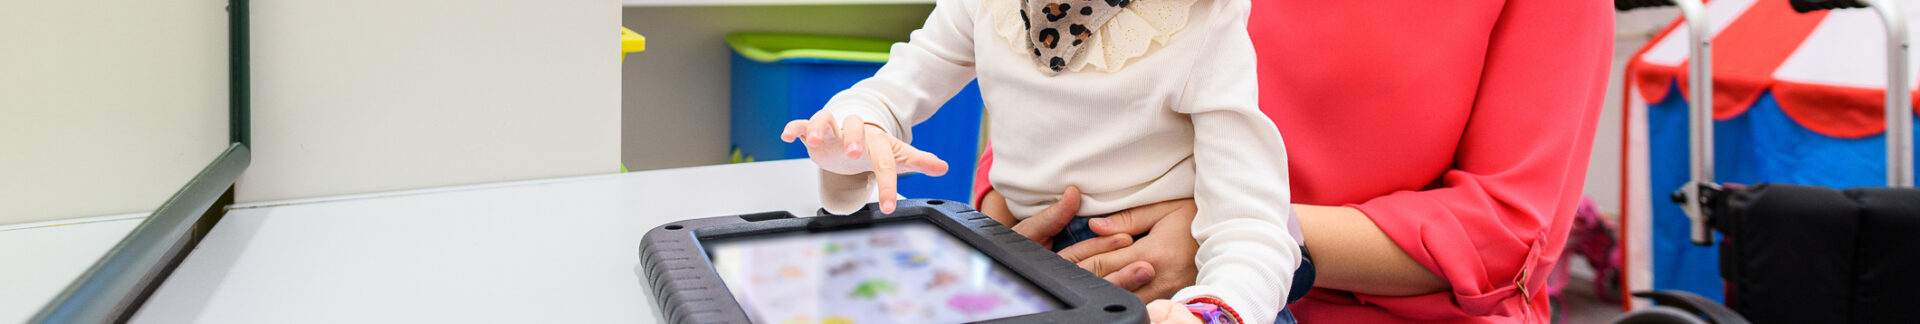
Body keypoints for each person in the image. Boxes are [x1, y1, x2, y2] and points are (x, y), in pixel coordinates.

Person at [973, 0, 1614, 322]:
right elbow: (1050, 74)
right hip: (1092, 286)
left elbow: (1509, 227)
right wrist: (1011, 208)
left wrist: (1240, 234)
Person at [778, 0, 1301, 322]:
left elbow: (1252, 222)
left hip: (1170, 275)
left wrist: (1215, 310)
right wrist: (853, 132)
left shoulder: (1200, 22)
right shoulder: (985, 5)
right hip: (1026, 252)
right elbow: (890, 92)